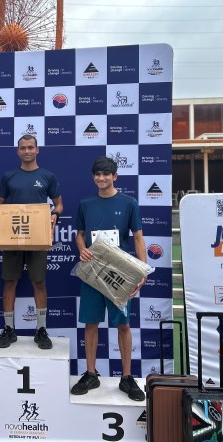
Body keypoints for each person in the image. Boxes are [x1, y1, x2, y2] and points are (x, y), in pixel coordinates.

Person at [71, 156, 147, 401]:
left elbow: (138, 237)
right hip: (92, 273)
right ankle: (91, 373)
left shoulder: (129, 203)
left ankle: (127, 377)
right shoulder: (85, 204)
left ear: (115, 176)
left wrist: (142, 271)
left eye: (106, 174)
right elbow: (79, 234)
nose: (101, 178)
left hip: (119, 275)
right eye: (97, 174)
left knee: (123, 325)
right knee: (91, 323)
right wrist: (82, 248)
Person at [0, 134, 62, 350]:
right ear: (18, 151)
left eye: (30, 147)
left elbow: (59, 204)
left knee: (39, 282)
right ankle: (9, 329)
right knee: (9, 282)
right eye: (23, 148)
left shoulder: (47, 176)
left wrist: (54, 215)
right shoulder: (9, 176)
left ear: (37, 150)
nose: (27, 151)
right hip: (13, 237)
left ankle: (41, 329)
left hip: (37, 237)